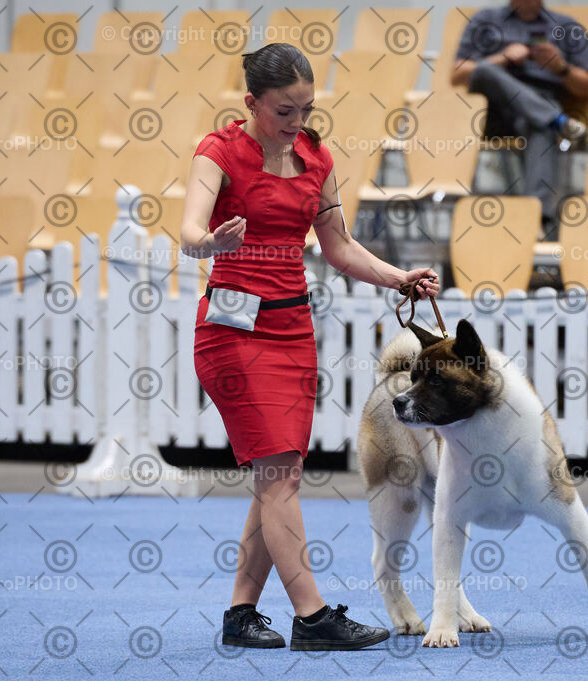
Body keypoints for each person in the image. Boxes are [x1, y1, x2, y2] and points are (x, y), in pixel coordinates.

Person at [180, 42, 441, 651]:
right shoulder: (215, 152)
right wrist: (212, 242)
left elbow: (339, 247)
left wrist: (398, 276)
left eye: (305, 109)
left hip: (293, 333)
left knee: (279, 475)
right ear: (251, 103)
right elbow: (189, 232)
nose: (296, 122)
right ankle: (312, 615)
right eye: (283, 112)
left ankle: (241, 615)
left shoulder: (315, 157)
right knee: (280, 476)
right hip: (232, 334)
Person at [450, 0, 588, 228]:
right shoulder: (485, 20)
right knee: (485, 70)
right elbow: (457, 74)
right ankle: (558, 121)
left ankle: (536, 220)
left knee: (540, 125)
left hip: (538, 104)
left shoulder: (567, 26)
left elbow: (587, 88)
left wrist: (560, 67)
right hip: (493, 110)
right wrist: (504, 58)